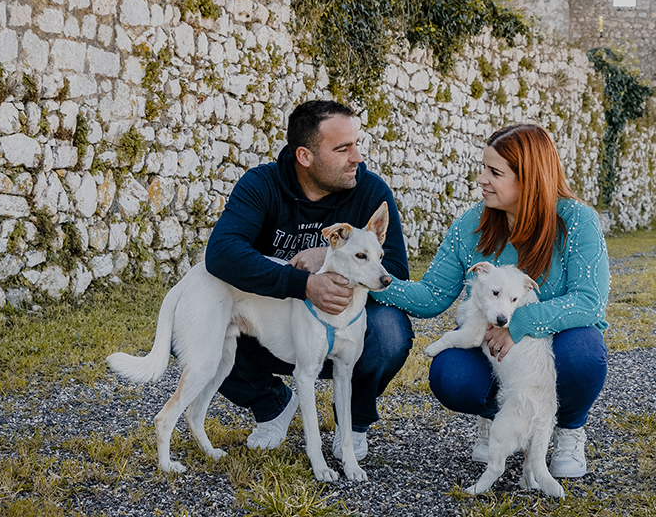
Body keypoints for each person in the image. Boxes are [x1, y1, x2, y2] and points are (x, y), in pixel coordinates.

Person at [372, 123, 609, 478]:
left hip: (553, 347)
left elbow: (589, 301)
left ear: (529, 179)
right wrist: (369, 281)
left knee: (584, 353)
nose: (482, 179)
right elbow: (433, 296)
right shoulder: (472, 224)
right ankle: (499, 419)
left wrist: (519, 325)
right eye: (484, 167)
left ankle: (567, 429)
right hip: (489, 351)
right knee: (450, 375)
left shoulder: (577, 221)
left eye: (494, 172)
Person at [204, 99, 413, 460]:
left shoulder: (370, 192)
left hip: (342, 329)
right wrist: (303, 284)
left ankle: (352, 423)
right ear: (305, 156)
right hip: (273, 329)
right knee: (197, 326)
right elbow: (222, 252)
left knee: (391, 331)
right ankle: (273, 406)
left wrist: (325, 256)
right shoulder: (262, 185)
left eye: (357, 144)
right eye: (343, 148)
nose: (357, 158)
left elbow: (394, 268)